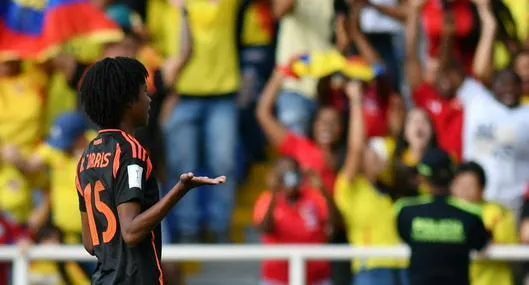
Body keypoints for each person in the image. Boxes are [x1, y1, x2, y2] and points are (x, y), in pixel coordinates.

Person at [76, 57, 226, 284]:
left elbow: (90, 243)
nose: (149, 100)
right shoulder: (131, 152)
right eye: (144, 92)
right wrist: (180, 190)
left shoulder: (86, 158)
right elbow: (131, 232)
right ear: (128, 101)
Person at [334, 81, 408, 285]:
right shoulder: (349, 187)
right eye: (372, 153)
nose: (378, 157)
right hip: (372, 269)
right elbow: (356, 147)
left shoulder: (388, 185)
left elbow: (395, 134)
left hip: (402, 265)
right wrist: (357, 101)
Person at [395, 148, 490, 285]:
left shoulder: (406, 211)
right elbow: (483, 244)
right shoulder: (471, 215)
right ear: (453, 177)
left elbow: (402, 235)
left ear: (424, 177)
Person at [254, 157, 338, 285]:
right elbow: (266, 229)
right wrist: (275, 195)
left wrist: (323, 190)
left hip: (316, 278)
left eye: (292, 172)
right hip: (277, 279)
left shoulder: (315, 197)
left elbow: (334, 226)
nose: (289, 178)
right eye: (283, 173)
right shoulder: (267, 199)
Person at [451, 161, 518, 285]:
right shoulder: (443, 211)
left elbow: (508, 245)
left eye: (470, 185)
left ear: (482, 187)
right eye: (460, 185)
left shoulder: (499, 212)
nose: (464, 191)